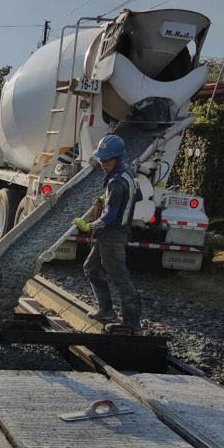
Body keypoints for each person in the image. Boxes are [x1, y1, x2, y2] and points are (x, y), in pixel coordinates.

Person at [73, 134, 142, 334]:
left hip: (112, 235)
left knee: (119, 277)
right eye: (100, 159)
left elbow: (111, 216)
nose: (102, 163)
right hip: (111, 234)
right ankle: (106, 309)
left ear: (118, 158)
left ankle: (131, 323)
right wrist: (106, 199)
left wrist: (89, 225)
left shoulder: (117, 182)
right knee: (91, 268)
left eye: (106, 160)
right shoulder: (128, 174)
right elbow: (136, 196)